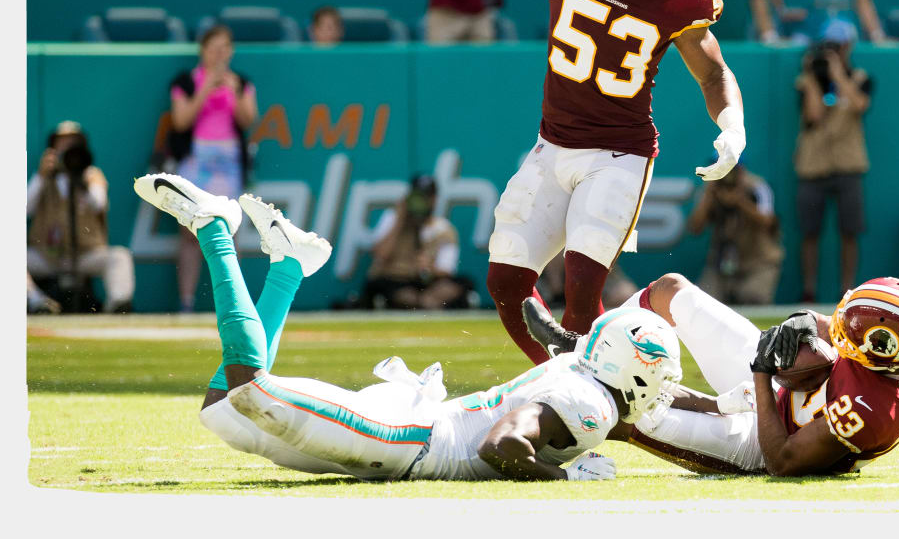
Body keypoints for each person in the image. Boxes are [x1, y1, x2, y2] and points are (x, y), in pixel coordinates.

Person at [132, 172, 683, 482]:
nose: (661, 386)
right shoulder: (595, 405)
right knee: (249, 389)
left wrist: (730, 405)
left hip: (414, 431)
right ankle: (214, 229)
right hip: (411, 439)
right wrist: (563, 477)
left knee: (222, 407)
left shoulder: (582, 370)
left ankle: (288, 268)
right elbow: (502, 446)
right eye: (657, 373)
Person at [461, 0, 746, 364]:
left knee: (581, 294)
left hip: (621, 152)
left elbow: (713, 73)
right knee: (506, 281)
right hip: (553, 145)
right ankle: (567, 391)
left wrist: (732, 123)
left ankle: (583, 410)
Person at [524, 272, 899, 476]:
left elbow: (781, 461)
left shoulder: (868, 410)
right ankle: (581, 346)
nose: (836, 332)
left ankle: (524, 436)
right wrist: (810, 320)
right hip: (796, 390)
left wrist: (763, 374)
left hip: (769, 437)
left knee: (629, 416)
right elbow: (854, 330)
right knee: (670, 291)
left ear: (879, 358)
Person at [167, 25, 259, 313]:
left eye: (225, 48)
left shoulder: (241, 82)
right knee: (189, 233)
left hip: (228, 162)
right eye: (214, 48)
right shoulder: (187, 82)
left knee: (230, 232)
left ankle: (234, 303)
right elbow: (181, 121)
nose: (219, 54)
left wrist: (234, 92)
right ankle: (186, 301)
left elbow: (248, 120)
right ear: (203, 50)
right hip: (197, 160)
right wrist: (207, 87)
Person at [793, 21, 872, 301]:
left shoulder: (859, 77)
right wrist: (814, 78)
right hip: (813, 166)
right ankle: (809, 290)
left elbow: (860, 105)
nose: (833, 52)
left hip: (848, 165)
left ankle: (847, 290)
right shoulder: (806, 81)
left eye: (837, 47)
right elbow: (813, 115)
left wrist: (838, 75)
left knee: (849, 231)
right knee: (810, 233)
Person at [27, 121, 135, 314]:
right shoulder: (45, 177)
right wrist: (42, 176)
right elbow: (25, 209)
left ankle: (118, 305)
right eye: (62, 144)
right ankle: (39, 303)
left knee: (119, 256)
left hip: (86, 253)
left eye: (73, 144)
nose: (68, 149)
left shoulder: (91, 175)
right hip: (48, 254)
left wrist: (84, 180)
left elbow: (99, 203)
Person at [351, 174, 471, 310]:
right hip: (397, 281)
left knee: (463, 283)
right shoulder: (392, 218)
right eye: (418, 197)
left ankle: (426, 302)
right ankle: (421, 303)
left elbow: (447, 270)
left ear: (435, 199)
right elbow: (380, 255)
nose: (423, 202)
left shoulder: (444, 229)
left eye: (428, 197)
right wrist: (400, 219)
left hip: (427, 283)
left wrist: (430, 267)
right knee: (391, 288)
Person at [685, 163, 782, 305]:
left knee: (753, 297)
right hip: (720, 264)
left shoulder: (756, 186)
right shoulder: (710, 189)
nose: (725, 175)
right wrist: (709, 197)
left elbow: (768, 222)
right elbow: (694, 227)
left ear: (741, 170)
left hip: (757, 262)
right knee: (703, 303)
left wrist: (740, 201)